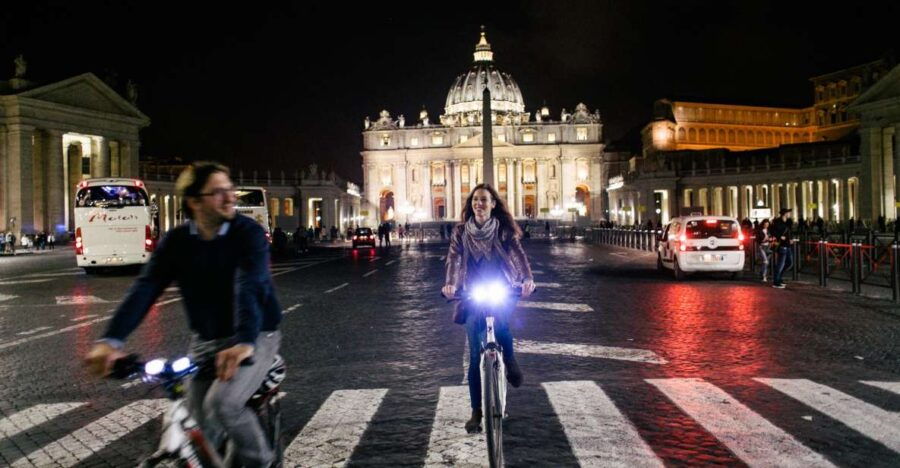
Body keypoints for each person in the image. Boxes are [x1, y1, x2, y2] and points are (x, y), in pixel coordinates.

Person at [84, 162, 282, 467]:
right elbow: (146, 287)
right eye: (219, 192)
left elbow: (250, 285)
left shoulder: (248, 233)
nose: (231, 197)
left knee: (223, 404)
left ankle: (262, 462)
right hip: (206, 340)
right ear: (194, 201)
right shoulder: (177, 242)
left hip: (256, 334)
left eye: (230, 189)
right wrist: (111, 340)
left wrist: (244, 342)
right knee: (202, 426)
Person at [442, 184, 535, 433]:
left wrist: (527, 278)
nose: (479, 204)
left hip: (502, 285)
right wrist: (451, 284)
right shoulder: (461, 231)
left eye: (484, 200)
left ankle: (510, 358)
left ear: (493, 204)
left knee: (501, 325)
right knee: (475, 356)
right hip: (472, 291)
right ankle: (476, 411)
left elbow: (517, 253)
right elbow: (454, 258)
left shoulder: (503, 230)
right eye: (475, 200)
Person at [771, 208, 794, 289]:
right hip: (781, 245)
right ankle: (776, 281)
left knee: (789, 263)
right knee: (780, 264)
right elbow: (772, 231)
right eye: (788, 213)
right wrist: (779, 236)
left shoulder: (788, 221)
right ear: (785, 214)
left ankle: (779, 277)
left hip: (788, 244)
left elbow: (789, 232)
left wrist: (790, 239)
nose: (789, 214)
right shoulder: (777, 222)